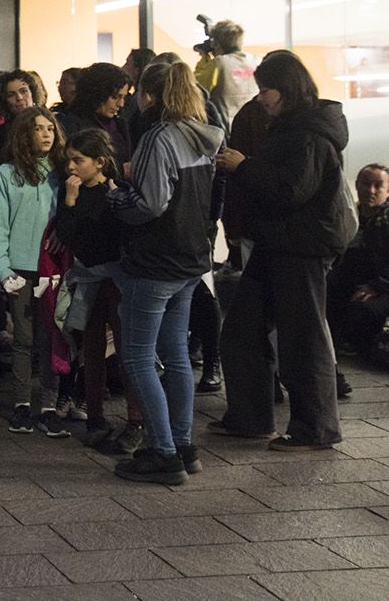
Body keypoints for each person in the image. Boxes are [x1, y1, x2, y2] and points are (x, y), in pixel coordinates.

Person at [214, 51, 350, 452]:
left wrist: (244, 167)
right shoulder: (293, 126)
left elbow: (292, 190)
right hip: (280, 243)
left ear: (287, 87)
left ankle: (316, 428)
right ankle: (250, 418)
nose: (261, 97)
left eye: (266, 89)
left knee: (302, 339)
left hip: (301, 246)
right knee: (241, 329)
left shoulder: (309, 133)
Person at [102, 61, 222, 483]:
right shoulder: (202, 134)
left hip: (155, 261)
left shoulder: (159, 137)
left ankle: (163, 453)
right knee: (175, 355)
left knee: (137, 356)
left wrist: (116, 196)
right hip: (191, 259)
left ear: (148, 96)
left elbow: (149, 204)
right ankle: (184, 445)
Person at [57, 128, 144, 456]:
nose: (72, 167)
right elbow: (66, 234)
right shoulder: (72, 192)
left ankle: (135, 421)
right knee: (90, 350)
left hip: (117, 279)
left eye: (78, 160)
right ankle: (95, 417)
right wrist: (68, 202)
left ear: (100, 161)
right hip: (88, 277)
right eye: (69, 160)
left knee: (126, 351)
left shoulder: (117, 192)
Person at [0, 106, 65, 437]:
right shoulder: (7, 173)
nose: (46, 133)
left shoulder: (61, 171)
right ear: (24, 133)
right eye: (38, 128)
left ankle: (49, 406)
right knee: (23, 338)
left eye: (50, 127)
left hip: (53, 270)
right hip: (20, 268)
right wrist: (4, 269)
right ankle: (22, 404)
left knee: (51, 337)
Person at [329, 164, 389, 391]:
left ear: (388, 190)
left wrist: (377, 286)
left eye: (377, 185)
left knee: (364, 310)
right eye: (364, 184)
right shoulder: (353, 215)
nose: (370, 190)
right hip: (364, 281)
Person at [55, 62, 133, 169]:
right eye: (115, 97)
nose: (121, 104)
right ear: (98, 93)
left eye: (124, 97)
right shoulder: (71, 124)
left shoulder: (121, 124)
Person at [203, 20, 256, 130]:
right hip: (254, 127)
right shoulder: (255, 61)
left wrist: (205, 58)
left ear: (217, 42)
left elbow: (199, 92)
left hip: (226, 130)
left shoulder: (218, 63)